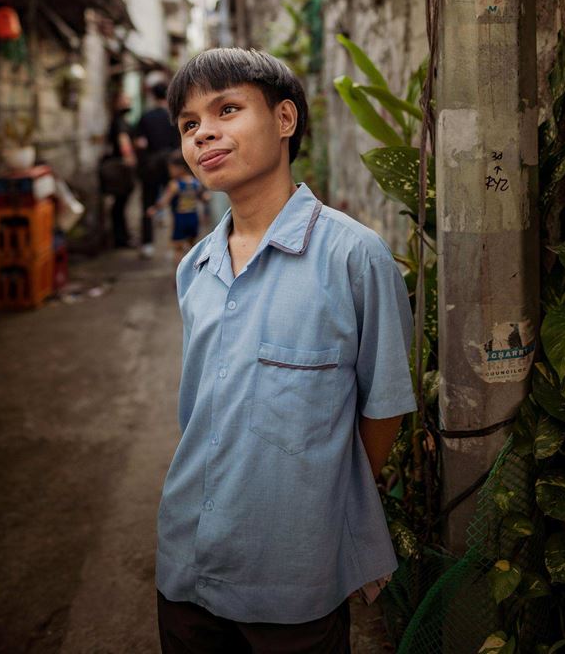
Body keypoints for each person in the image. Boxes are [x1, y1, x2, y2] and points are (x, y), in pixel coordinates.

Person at [156, 48, 416, 654]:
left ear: (284, 120)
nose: (205, 134)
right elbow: (196, 412)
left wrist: (321, 507)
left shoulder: (354, 256)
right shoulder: (194, 268)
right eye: (190, 124)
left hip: (294, 577)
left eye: (227, 109)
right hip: (186, 560)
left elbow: (384, 407)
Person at [135, 81, 180, 258]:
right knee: (176, 203)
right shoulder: (174, 117)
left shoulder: (146, 117)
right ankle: (176, 242)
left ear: (153, 96)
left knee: (147, 203)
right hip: (171, 166)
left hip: (150, 167)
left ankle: (147, 244)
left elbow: (140, 143)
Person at [147, 150, 208, 262]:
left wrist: (154, 208)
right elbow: (204, 197)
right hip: (194, 219)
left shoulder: (174, 185)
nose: (169, 171)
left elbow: (164, 201)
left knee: (178, 249)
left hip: (180, 221)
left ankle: (179, 277)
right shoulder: (195, 182)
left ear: (180, 168)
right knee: (193, 249)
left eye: (171, 168)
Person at [104, 91, 136, 249]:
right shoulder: (119, 121)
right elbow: (123, 140)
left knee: (119, 205)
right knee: (119, 205)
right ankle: (120, 239)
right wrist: (130, 157)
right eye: (125, 100)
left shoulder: (118, 120)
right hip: (120, 168)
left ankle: (121, 237)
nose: (128, 102)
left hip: (120, 167)